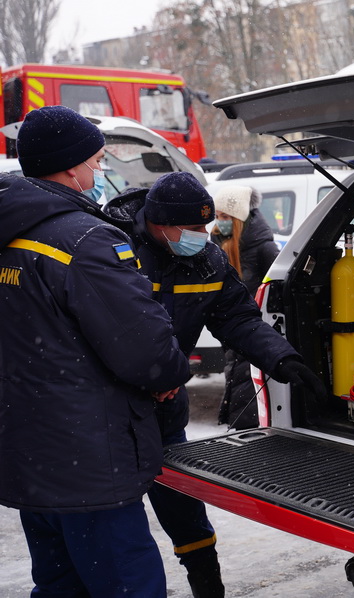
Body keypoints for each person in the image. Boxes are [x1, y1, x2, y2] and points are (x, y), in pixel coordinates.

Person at [0, 106, 192, 596]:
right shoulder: (84, 239)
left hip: (29, 457)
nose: (100, 170)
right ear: (70, 167)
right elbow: (146, 350)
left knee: (61, 584)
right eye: (97, 159)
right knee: (125, 586)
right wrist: (167, 374)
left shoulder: (10, 233)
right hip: (89, 463)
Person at [104, 172, 324, 598]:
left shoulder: (207, 260)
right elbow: (101, 330)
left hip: (166, 407)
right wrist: (148, 378)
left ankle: (207, 581)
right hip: (113, 410)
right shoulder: (112, 251)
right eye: (193, 228)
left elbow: (237, 318)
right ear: (158, 222)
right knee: (117, 516)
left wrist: (281, 358)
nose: (204, 236)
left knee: (181, 498)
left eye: (207, 226)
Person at [210, 185, 280, 428]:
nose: (220, 223)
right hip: (230, 331)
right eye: (217, 216)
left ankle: (246, 429)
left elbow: (277, 292)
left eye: (226, 217)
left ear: (239, 217)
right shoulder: (220, 243)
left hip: (252, 329)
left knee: (247, 386)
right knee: (238, 381)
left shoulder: (264, 248)